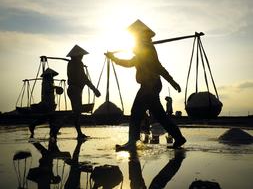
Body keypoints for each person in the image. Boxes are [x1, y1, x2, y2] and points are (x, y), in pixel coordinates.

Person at [105, 19, 186, 150]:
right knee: (160, 115)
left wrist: (172, 81)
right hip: (152, 85)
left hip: (149, 85)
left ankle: (132, 142)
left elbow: (156, 67)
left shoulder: (147, 49)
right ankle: (179, 137)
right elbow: (133, 62)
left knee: (136, 113)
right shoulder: (144, 48)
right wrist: (114, 58)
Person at [67, 45, 101, 140]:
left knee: (76, 112)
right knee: (76, 113)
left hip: (72, 89)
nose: (82, 57)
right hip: (75, 90)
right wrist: (94, 89)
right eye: (81, 55)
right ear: (78, 55)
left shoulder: (71, 63)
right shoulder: (78, 63)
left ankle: (79, 133)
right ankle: (77, 132)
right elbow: (84, 78)